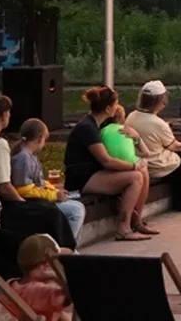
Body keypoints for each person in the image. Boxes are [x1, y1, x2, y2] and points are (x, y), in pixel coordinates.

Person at [0, 94, 76, 277]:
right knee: (49, 213)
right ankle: (63, 258)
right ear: (3, 116)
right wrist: (22, 204)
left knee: (39, 210)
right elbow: (4, 187)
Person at [63, 85, 155, 241]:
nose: (118, 107)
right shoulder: (87, 128)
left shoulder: (96, 125)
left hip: (94, 173)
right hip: (82, 179)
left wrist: (136, 140)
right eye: (115, 104)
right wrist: (133, 166)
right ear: (107, 108)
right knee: (135, 177)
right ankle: (123, 228)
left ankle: (136, 221)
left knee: (142, 171)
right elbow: (107, 161)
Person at [125, 80, 181, 212]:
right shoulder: (158, 123)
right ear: (160, 101)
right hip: (159, 165)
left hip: (141, 159)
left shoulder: (131, 116)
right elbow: (176, 146)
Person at [10, 118, 87, 245]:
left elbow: (39, 182)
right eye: (45, 139)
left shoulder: (31, 156)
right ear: (40, 139)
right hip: (31, 203)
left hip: (39, 199)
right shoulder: (23, 158)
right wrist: (53, 196)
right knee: (76, 212)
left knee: (78, 205)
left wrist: (55, 190)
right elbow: (23, 189)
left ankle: (70, 246)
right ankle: (64, 247)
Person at [7, 234, 73, 321]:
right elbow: (72, 294)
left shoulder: (12, 283)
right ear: (46, 265)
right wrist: (56, 276)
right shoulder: (39, 292)